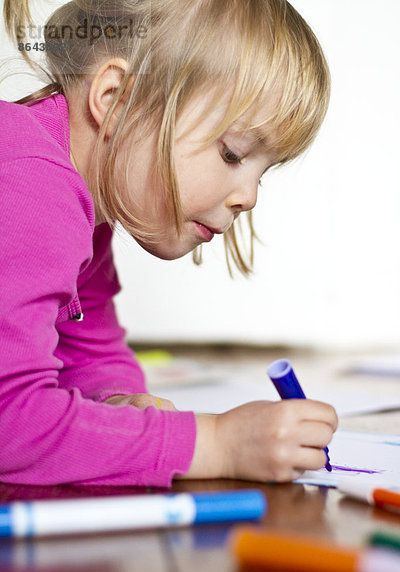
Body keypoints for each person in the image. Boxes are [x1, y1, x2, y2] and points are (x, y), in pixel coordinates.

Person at [0, 0, 337, 487]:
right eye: (232, 153)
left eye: (263, 172)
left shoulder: (79, 206)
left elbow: (89, 348)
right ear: (114, 100)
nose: (249, 197)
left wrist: (117, 401)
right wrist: (216, 443)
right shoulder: (30, 184)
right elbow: (11, 423)